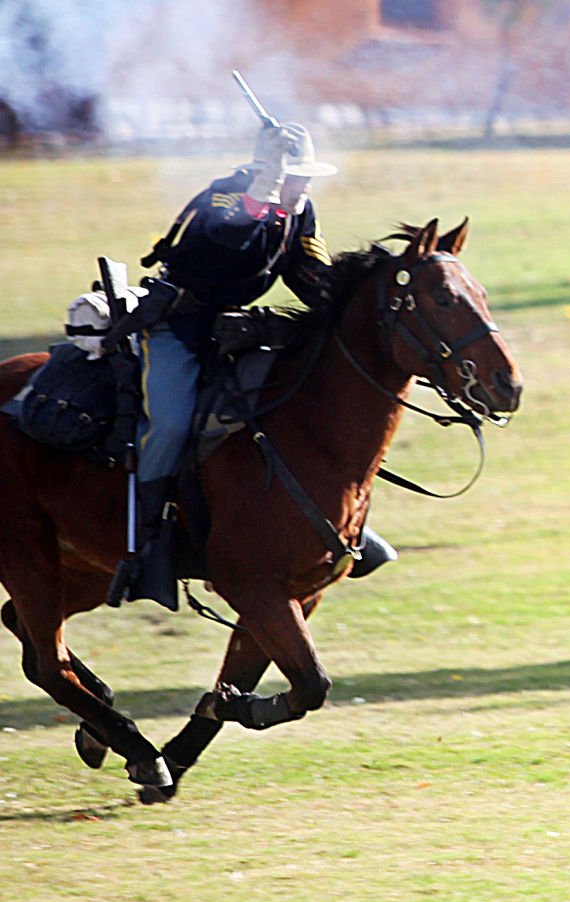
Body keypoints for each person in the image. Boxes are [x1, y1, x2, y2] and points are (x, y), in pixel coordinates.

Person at [107, 120, 396, 609]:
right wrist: (264, 190)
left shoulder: (298, 210)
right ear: (269, 171)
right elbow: (226, 240)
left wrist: (356, 301)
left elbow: (312, 275)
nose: (303, 185)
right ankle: (148, 544)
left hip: (236, 332)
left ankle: (343, 524)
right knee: (172, 425)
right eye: (295, 175)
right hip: (180, 328)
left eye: (306, 177)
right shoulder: (227, 197)